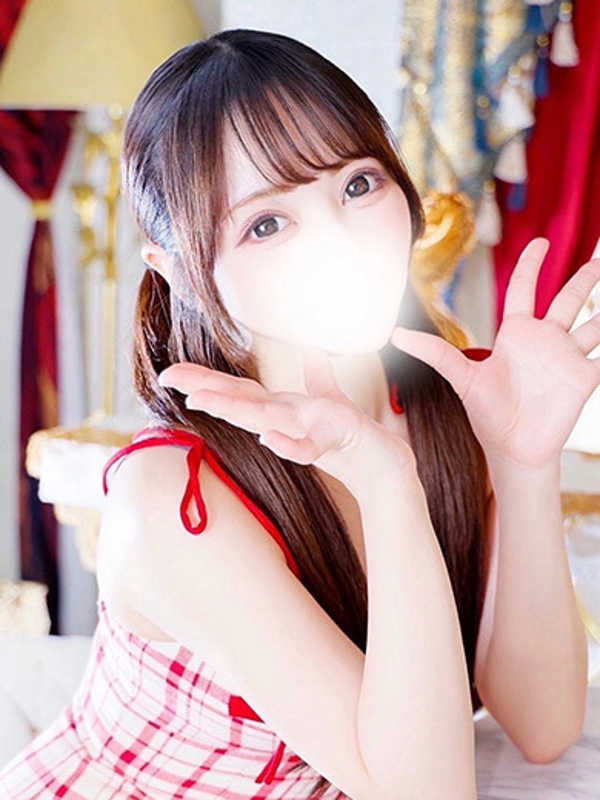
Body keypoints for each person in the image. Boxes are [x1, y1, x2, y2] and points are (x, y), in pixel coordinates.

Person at [2, 26, 596, 800]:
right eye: (266, 224)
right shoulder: (171, 500)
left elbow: (543, 726)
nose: (341, 238)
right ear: (179, 272)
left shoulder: (442, 403)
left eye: (357, 185)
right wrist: (387, 488)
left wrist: (522, 463)